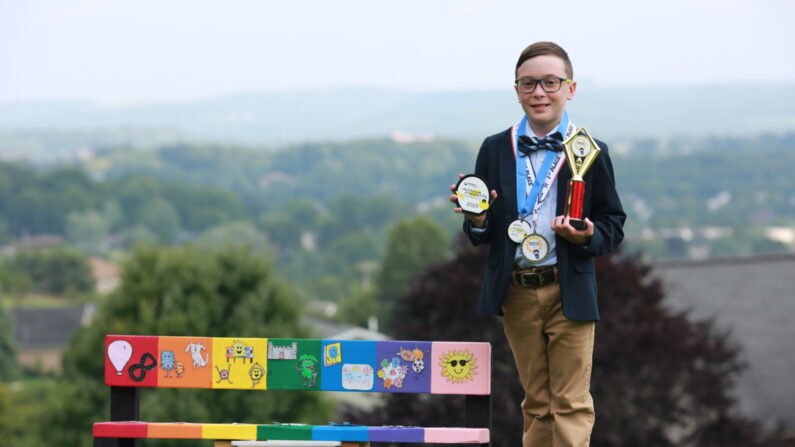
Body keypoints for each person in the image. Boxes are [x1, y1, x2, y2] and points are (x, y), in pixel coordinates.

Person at [449, 42, 626, 447]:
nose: (539, 93)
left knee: (570, 403)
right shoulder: (495, 149)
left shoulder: (590, 150)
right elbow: (483, 229)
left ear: (570, 88)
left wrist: (587, 236)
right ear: (516, 90)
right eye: (529, 84)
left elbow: (613, 224)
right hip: (517, 291)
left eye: (550, 82)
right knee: (537, 403)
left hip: (570, 289)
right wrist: (477, 218)